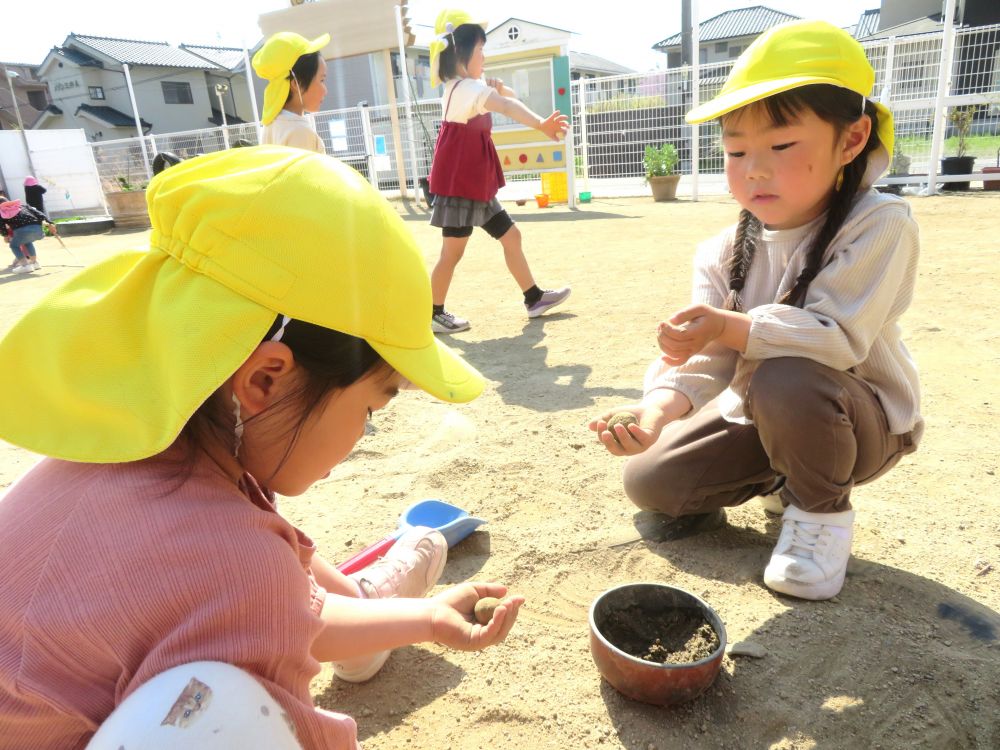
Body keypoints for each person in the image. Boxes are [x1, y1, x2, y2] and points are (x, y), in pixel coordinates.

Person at [0, 146, 524, 749]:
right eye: (372, 408)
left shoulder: (119, 449)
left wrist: (428, 619)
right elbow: (260, 625)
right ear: (263, 379)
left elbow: (282, 614)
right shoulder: (235, 563)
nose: (363, 434)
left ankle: (373, 592)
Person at [589, 20, 922, 602]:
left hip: (859, 421)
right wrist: (656, 413)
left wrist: (729, 325)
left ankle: (819, 518)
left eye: (781, 146)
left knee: (786, 375)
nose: (755, 169)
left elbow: (838, 339)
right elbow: (707, 362)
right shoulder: (723, 249)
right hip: (766, 414)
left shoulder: (879, 223)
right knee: (653, 481)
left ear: (851, 139)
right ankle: (782, 472)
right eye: (737, 150)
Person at [426, 9, 571, 334]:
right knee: (452, 253)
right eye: (481, 49)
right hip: (460, 187)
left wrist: (502, 91)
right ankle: (433, 313)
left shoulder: (467, 87)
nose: (484, 56)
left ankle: (533, 298)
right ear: (462, 52)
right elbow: (506, 107)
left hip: (474, 186)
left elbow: (508, 101)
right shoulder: (464, 89)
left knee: (511, 236)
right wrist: (541, 124)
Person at [253, 31, 330, 154]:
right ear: (296, 84)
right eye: (322, 80)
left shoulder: (272, 124)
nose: (325, 90)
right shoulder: (299, 131)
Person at [0, 196, 53, 274]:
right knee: (27, 242)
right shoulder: (22, 206)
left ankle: (25, 266)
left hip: (22, 230)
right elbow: (39, 213)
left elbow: (1, 225)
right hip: (38, 229)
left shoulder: (2, 211)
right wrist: (49, 223)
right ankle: (34, 263)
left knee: (13, 245)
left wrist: (5, 235)